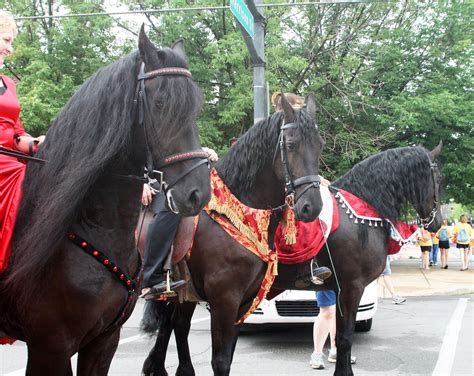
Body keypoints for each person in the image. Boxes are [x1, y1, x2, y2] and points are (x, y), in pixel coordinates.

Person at [0, 10, 46, 274]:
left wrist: (38, 144)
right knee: (23, 180)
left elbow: (16, 133)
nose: (11, 48)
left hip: (9, 158)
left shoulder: (9, 83)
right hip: (4, 165)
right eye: (6, 40)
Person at [140, 147, 218, 299]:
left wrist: (203, 151)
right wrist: (140, 182)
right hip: (144, 183)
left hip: (171, 182)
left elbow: (181, 150)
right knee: (171, 208)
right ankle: (150, 280)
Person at [271, 91, 332, 283]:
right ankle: (306, 263)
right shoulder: (275, 131)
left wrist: (315, 177)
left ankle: (313, 261)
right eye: (298, 106)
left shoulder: (298, 131)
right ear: (285, 109)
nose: (301, 112)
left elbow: (300, 161)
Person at [309, 290, 356, 369]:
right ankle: (317, 354)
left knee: (339, 310)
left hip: (342, 280)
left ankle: (335, 351)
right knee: (327, 311)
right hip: (327, 279)